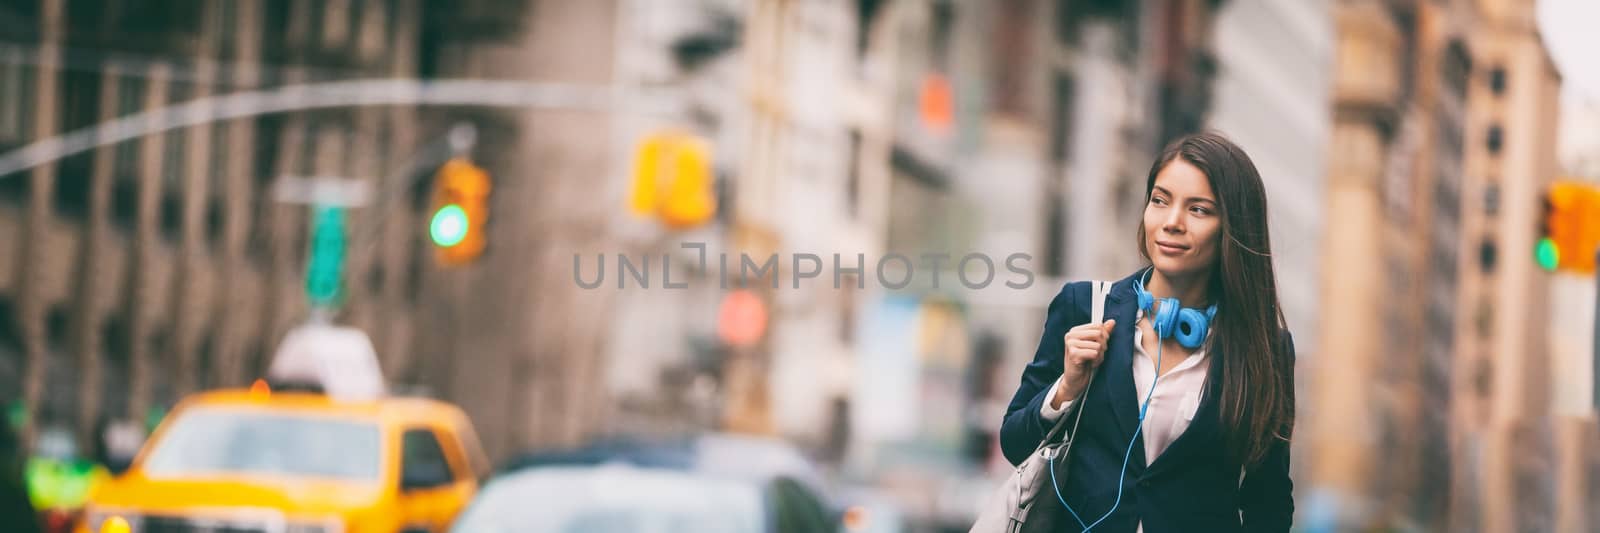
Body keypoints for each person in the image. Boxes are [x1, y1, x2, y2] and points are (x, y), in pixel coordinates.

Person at [998, 132, 1296, 533]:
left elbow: (1269, 501)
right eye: (1160, 200)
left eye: (1198, 209)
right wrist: (1066, 388)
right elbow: (1014, 444)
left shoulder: (1266, 349)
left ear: (1233, 228)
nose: (1171, 222)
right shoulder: (1084, 307)